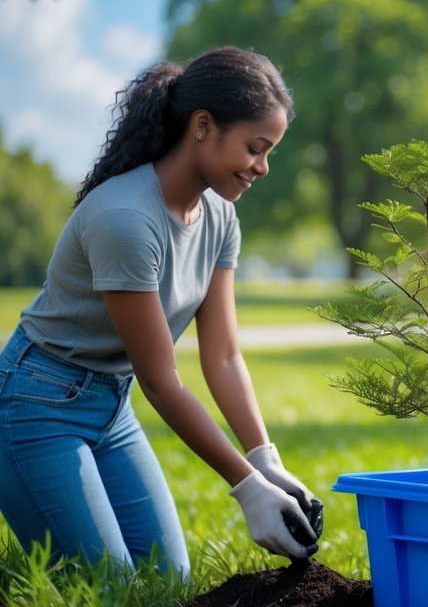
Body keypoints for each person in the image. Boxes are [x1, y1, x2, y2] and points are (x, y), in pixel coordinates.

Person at [0, 47, 323, 577]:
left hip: (110, 406)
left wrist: (265, 459)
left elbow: (222, 356)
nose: (263, 168)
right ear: (203, 126)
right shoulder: (125, 218)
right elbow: (161, 380)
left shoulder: (220, 216)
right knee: (113, 586)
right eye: (255, 148)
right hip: (35, 404)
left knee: (167, 580)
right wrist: (246, 487)